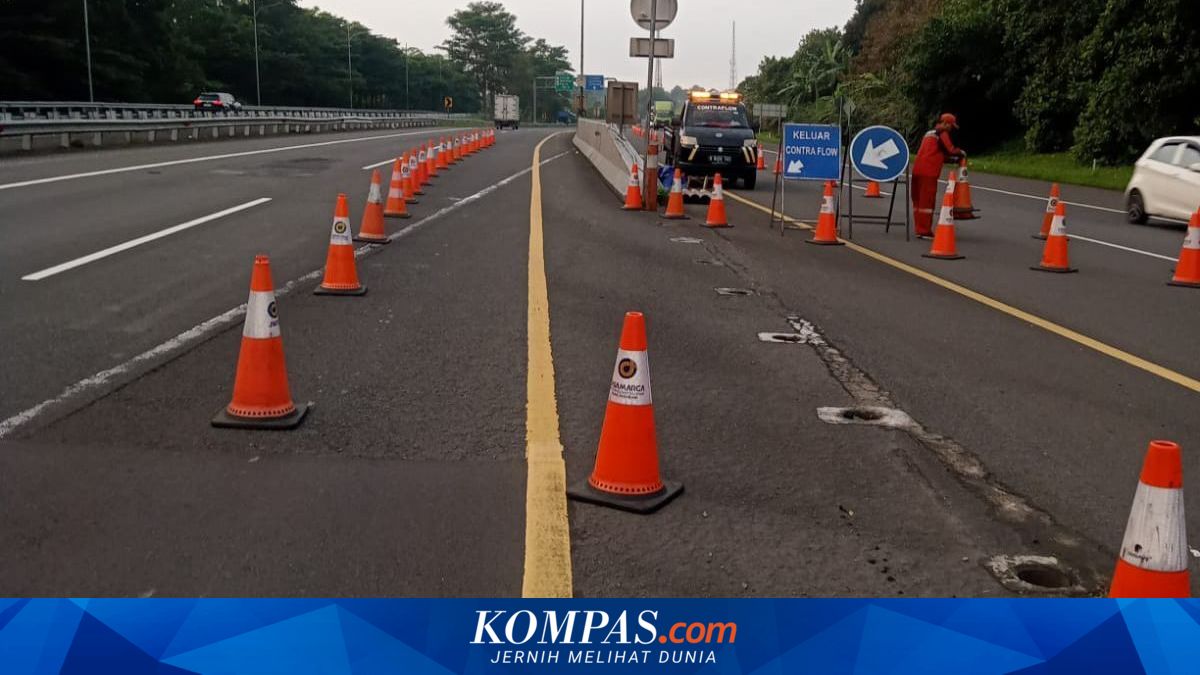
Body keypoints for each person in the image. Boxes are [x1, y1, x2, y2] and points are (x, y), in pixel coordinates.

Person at [912, 113, 966, 238]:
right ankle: (924, 231)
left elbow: (936, 153)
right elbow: (950, 150)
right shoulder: (942, 133)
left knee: (918, 202)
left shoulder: (929, 133)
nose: (951, 129)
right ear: (945, 123)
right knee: (927, 202)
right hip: (929, 172)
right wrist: (961, 153)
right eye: (951, 126)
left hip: (917, 170)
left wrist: (950, 160)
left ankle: (919, 228)